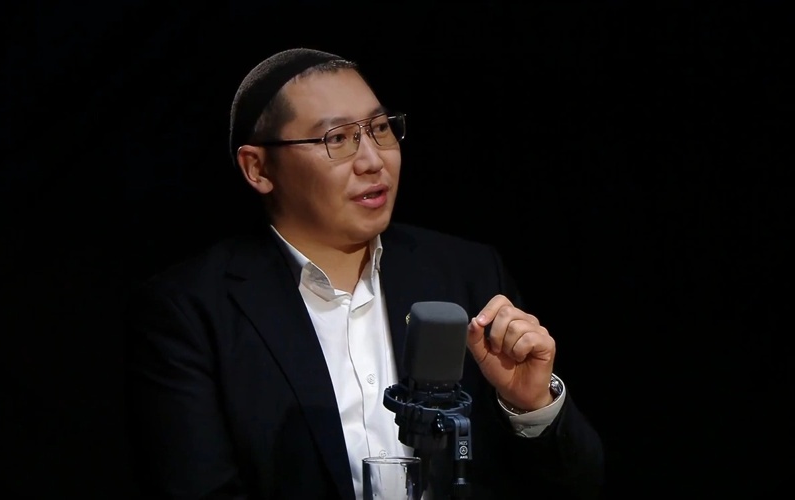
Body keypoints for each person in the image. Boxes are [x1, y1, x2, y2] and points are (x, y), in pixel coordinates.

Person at [124, 47, 605, 500]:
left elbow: (578, 485)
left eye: (380, 129)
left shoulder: (466, 274)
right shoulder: (191, 311)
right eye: (337, 138)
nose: (373, 160)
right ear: (258, 168)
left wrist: (530, 407)